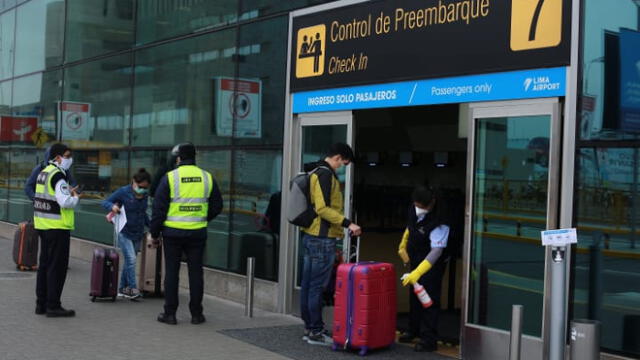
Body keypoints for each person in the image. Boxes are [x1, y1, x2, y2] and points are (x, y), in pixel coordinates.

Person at [150, 143, 223, 325]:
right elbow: (217, 206)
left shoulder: (170, 178)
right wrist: (202, 218)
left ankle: (170, 313)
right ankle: (196, 314)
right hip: (197, 233)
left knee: (172, 273)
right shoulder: (207, 177)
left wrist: (155, 233)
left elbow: (159, 209)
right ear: (194, 157)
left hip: (172, 234)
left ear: (178, 158)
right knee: (196, 273)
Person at [300, 143, 361, 346]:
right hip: (321, 239)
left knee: (309, 284)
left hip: (311, 236)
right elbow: (323, 208)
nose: (343, 166)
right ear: (337, 157)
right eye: (344, 162)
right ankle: (316, 331)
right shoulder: (325, 175)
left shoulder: (315, 171)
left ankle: (310, 327)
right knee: (316, 286)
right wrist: (348, 223)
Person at [398, 186, 450, 352]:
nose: (417, 208)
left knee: (428, 299)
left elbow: (437, 251)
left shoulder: (440, 221)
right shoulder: (414, 209)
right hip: (416, 256)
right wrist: (403, 245)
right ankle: (413, 330)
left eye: (421, 205)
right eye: (416, 204)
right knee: (415, 296)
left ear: (431, 203)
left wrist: (418, 272)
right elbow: (410, 226)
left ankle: (429, 339)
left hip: (431, 263)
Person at [33, 143, 79, 317]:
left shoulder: (44, 173)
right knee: (57, 268)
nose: (69, 159)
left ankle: (41, 304)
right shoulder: (58, 176)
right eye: (67, 156)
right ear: (58, 157)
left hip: (43, 226)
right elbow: (65, 202)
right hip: (57, 228)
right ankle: (53, 305)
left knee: (44, 266)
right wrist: (75, 198)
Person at [102, 168, 152, 300]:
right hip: (124, 231)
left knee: (129, 261)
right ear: (134, 182)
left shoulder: (145, 195)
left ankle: (122, 289)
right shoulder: (124, 192)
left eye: (145, 188)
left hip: (138, 232)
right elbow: (105, 202)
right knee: (132, 260)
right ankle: (133, 290)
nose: (143, 189)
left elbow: (143, 213)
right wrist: (112, 207)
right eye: (141, 187)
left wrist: (152, 227)